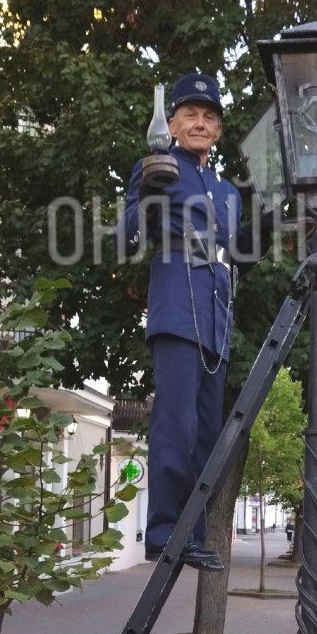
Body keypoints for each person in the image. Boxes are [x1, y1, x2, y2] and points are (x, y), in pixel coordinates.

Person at [120, 72, 271, 571]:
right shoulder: (156, 165)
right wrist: (148, 195)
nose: (200, 123)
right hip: (175, 304)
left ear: (219, 130)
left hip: (218, 317)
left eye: (209, 117)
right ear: (173, 122)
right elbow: (125, 242)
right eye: (191, 115)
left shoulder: (228, 191)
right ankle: (163, 531)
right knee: (176, 423)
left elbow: (240, 256)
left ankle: (194, 533)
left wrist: (270, 219)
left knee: (208, 433)